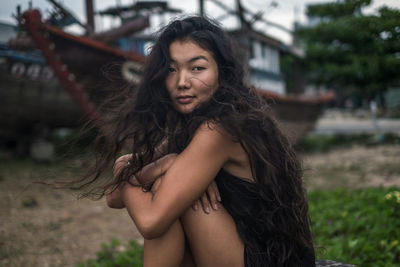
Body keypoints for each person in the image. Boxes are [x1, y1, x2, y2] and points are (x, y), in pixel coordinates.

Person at [85, 16, 315, 267]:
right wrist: (150, 164)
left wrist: (142, 170)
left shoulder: (219, 128)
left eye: (197, 68)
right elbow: (113, 198)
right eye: (172, 69)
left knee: (168, 192)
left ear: (222, 73)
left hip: (268, 261)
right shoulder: (191, 125)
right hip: (241, 251)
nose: (182, 82)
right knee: (168, 186)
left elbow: (150, 222)